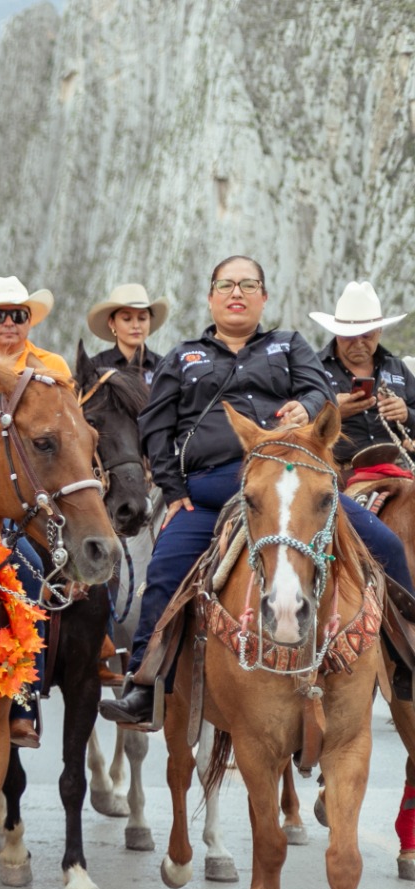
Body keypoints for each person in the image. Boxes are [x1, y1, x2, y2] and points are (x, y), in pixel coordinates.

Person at [101, 256, 415, 728]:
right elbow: (154, 426)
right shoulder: (184, 356)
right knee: (165, 568)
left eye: (249, 285)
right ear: (211, 297)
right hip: (209, 491)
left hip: (291, 485)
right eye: (226, 284)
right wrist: (173, 489)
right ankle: (144, 685)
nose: (237, 293)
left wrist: (302, 407)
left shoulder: (289, 346)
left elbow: (319, 394)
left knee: (387, 545)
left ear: (263, 298)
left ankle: (406, 659)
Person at [0, 276, 70, 748]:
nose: (9, 323)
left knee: (31, 563)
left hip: (28, 486)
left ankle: (26, 699)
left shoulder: (52, 365)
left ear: (30, 320)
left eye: (18, 315)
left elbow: (66, 429)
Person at [309, 281, 413, 463]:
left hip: (399, 466)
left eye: (367, 335)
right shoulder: (314, 369)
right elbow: (293, 424)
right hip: (339, 471)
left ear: (379, 331)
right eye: (349, 336)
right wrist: (331, 414)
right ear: (336, 333)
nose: (358, 344)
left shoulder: (397, 367)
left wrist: (406, 414)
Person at [88, 283, 169, 385]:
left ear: (150, 321)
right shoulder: (96, 367)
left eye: (142, 318)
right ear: (112, 323)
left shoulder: (163, 368)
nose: (136, 325)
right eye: (127, 319)